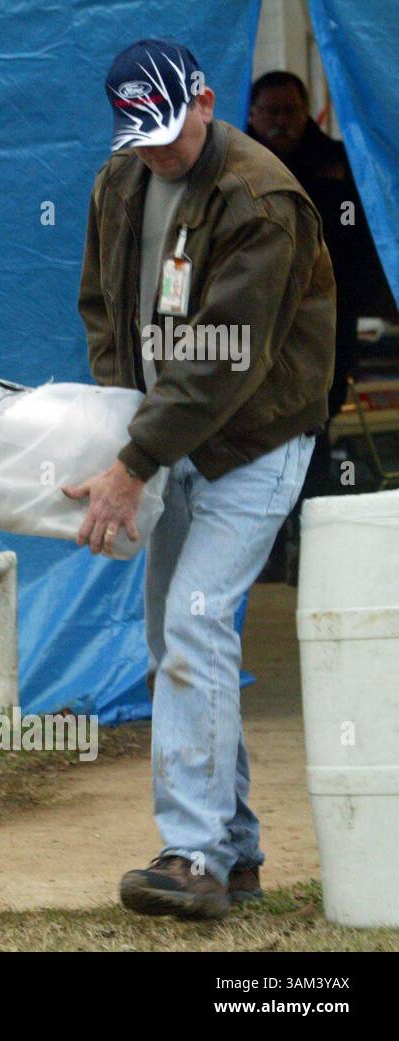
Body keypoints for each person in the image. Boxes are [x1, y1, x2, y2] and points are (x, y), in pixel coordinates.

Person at [67, 40, 335, 920]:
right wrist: (121, 425)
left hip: (255, 439)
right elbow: (104, 309)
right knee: (172, 640)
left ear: (208, 102)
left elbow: (225, 363)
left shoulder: (262, 199)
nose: (158, 149)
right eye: (139, 134)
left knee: (196, 620)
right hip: (165, 437)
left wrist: (132, 460)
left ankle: (191, 854)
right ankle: (239, 851)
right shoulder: (121, 182)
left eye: (171, 130)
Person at [247, 71, 396, 578]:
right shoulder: (233, 164)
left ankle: (307, 542)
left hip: (327, 326)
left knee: (314, 428)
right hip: (255, 328)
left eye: (290, 110)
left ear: (306, 110)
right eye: (271, 111)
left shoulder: (336, 160)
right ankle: (265, 549)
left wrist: (373, 298)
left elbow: (362, 242)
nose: (281, 121)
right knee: (256, 432)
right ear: (252, 114)